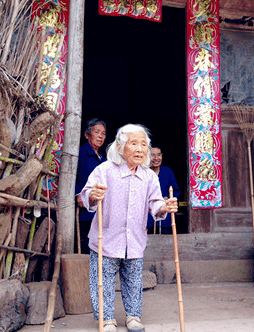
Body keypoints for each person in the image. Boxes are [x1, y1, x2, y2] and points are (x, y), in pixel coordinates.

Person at [79, 124, 178, 332]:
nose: (140, 149)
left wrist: (165, 207)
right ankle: (106, 319)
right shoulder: (104, 170)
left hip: (134, 240)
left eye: (144, 144)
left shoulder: (149, 176)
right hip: (105, 239)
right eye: (134, 143)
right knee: (103, 282)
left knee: (133, 281)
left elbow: (155, 203)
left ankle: (133, 317)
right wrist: (92, 195)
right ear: (120, 147)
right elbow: (85, 195)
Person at [75, 118, 107, 254]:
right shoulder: (81, 153)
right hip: (85, 210)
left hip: (101, 210)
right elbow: (71, 177)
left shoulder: (102, 157)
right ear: (87, 135)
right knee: (86, 247)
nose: (101, 136)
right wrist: (78, 195)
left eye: (103, 133)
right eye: (97, 132)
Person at [147, 146, 181, 234]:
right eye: (152, 155)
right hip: (147, 219)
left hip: (165, 220)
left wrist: (169, 199)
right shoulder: (144, 172)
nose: (156, 158)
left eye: (159, 155)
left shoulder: (168, 172)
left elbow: (176, 191)